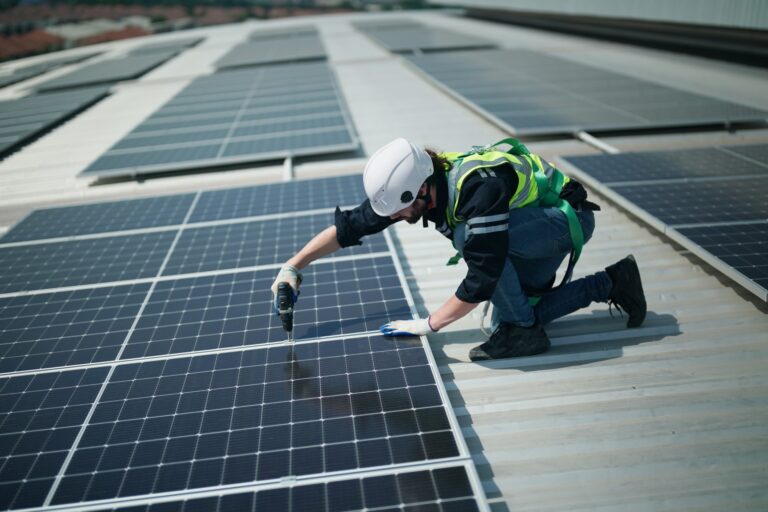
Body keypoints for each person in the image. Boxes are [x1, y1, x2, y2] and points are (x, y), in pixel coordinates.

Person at [271, 138, 646, 361]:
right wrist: (294, 266)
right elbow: (353, 225)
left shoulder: (475, 191)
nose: (398, 218)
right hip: (529, 229)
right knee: (509, 321)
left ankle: (527, 330)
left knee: (475, 243)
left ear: (420, 191)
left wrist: (429, 324)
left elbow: (483, 275)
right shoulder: (420, 186)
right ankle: (612, 282)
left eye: (401, 210)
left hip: (566, 221)